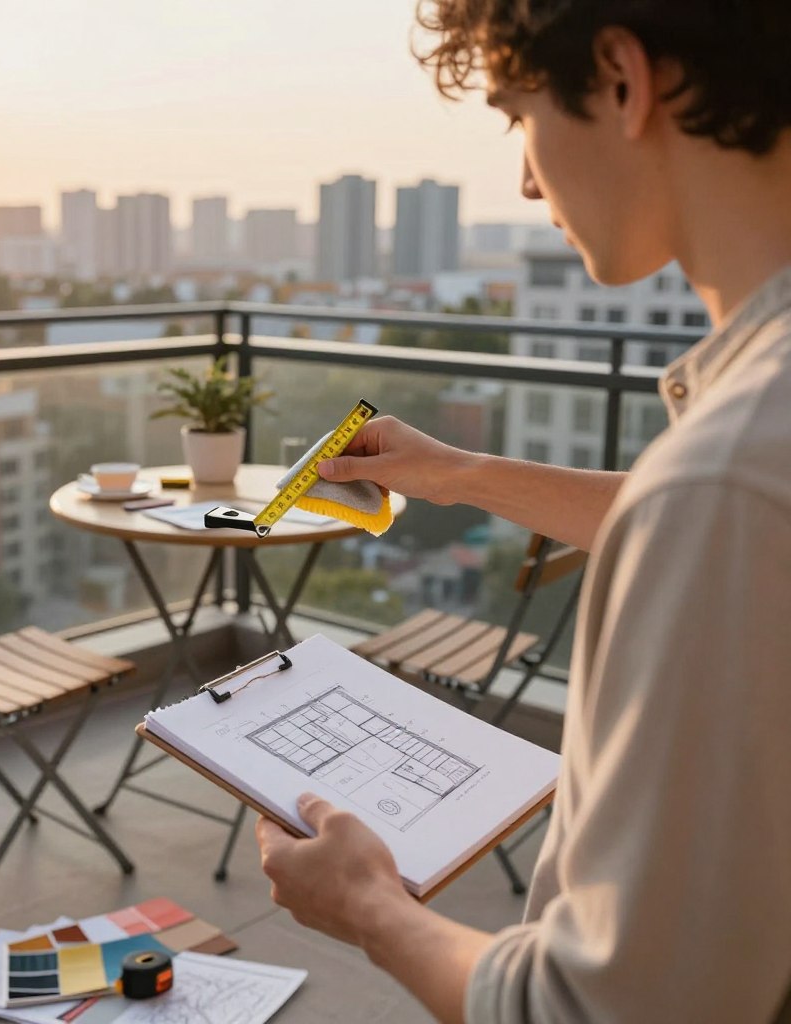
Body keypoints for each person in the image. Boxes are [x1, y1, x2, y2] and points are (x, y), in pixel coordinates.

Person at [254, 1, 791, 1021]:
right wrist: (461, 474)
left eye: (518, 116)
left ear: (623, 80)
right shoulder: (745, 471)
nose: (527, 179)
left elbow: (606, 1009)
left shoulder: (729, 479)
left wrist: (369, 906)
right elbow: (709, 521)